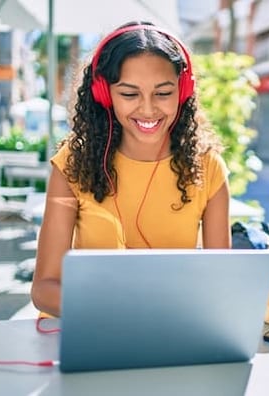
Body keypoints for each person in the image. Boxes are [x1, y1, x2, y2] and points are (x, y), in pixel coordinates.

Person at [31, 21, 231, 318]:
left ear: (183, 90)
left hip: (167, 326)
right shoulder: (73, 163)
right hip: (87, 326)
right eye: (129, 94)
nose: (148, 109)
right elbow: (45, 288)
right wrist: (122, 312)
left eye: (163, 93)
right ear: (104, 94)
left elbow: (221, 281)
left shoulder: (207, 167)